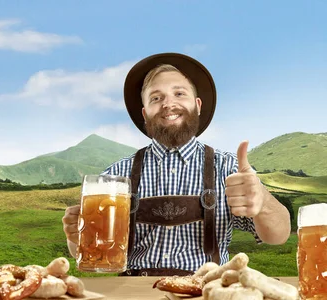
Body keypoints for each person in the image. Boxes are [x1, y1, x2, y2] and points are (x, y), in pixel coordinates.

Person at [62, 52, 291, 276]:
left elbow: (278, 235)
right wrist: (74, 237)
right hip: (133, 292)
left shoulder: (228, 168)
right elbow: (82, 248)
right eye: (156, 98)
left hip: (204, 291)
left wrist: (263, 199)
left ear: (198, 105)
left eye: (179, 93)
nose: (168, 104)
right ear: (145, 113)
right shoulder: (117, 175)